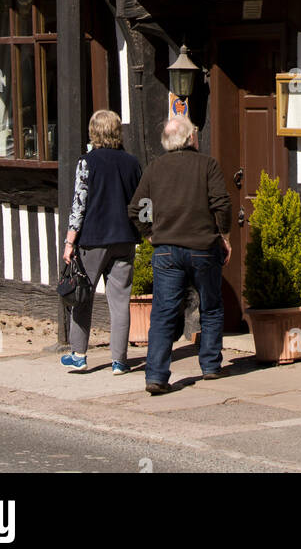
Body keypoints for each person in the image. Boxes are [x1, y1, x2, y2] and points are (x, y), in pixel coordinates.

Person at [128, 115, 232, 395]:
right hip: (202, 248)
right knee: (210, 306)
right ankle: (210, 365)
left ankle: (157, 376)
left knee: (163, 313)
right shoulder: (207, 165)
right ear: (189, 138)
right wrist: (224, 234)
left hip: (166, 251)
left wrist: (150, 232)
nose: (197, 136)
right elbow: (221, 204)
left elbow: (138, 207)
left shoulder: (154, 169)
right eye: (195, 132)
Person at [60, 109, 143, 374]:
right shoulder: (132, 163)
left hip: (93, 239)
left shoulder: (87, 162)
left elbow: (79, 203)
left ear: (94, 132)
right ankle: (119, 361)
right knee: (120, 301)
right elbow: (143, 203)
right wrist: (145, 231)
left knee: (82, 296)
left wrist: (70, 241)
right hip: (124, 238)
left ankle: (79, 355)